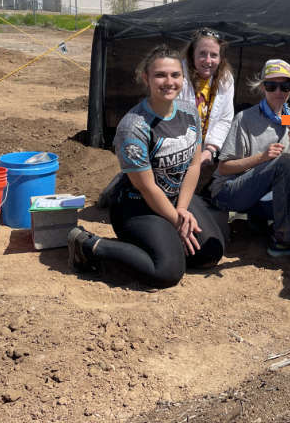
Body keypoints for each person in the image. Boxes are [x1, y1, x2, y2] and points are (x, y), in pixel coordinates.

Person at [68, 45, 227, 288]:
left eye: (175, 75)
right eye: (160, 75)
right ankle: (89, 245)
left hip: (175, 198)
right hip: (137, 205)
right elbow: (147, 187)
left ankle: (164, 241)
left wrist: (182, 211)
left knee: (210, 254)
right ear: (146, 78)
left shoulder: (187, 112)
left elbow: (194, 164)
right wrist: (177, 222)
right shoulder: (134, 126)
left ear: (184, 78)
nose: (169, 81)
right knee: (167, 272)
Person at [210, 58, 290, 257]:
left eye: (285, 86)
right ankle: (284, 241)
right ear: (262, 87)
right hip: (229, 192)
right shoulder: (245, 118)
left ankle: (257, 221)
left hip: (262, 193)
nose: (278, 92)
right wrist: (262, 157)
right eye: (271, 85)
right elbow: (223, 168)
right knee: (283, 162)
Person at [179, 28, 235, 190]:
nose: (208, 60)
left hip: (204, 153)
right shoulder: (178, 76)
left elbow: (225, 118)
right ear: (192, 54)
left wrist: (210, 149)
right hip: (178, 149)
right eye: (202, 53)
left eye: (214, 55)